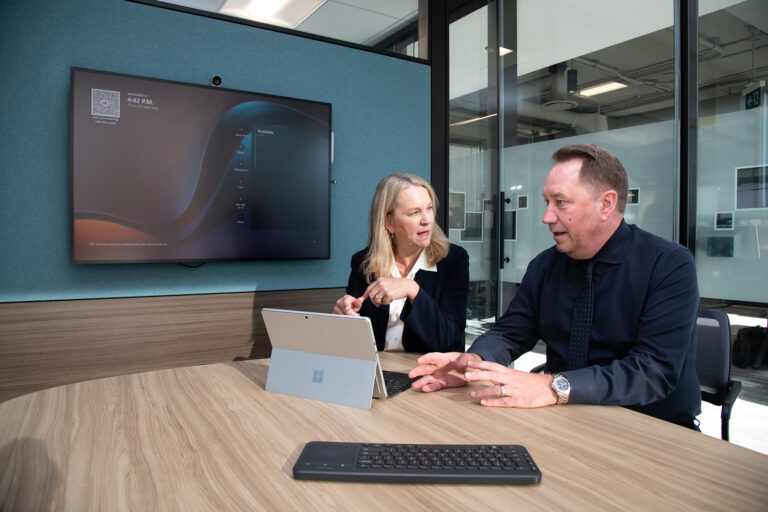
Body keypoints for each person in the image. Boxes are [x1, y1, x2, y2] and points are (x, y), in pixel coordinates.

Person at [409, 144, 702, 428]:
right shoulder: (545, 266)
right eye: (547, 202)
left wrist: (551, 386)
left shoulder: (668, 265)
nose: (547, 217)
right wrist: (474, 362)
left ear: (607, 204)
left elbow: (652, 371)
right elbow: (510, 332)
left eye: (560, 202)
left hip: (650, 427)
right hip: (564, 420)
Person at [334, 173, 469, 353]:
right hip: (380, 370)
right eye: (415, 212)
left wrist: (413, 290)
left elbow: (449, 341)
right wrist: (346, 316)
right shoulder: (363, 262)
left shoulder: (453, 260)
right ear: (389, 223)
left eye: (429, 208)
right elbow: (357, 342)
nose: (427, 220)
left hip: (430, 372)